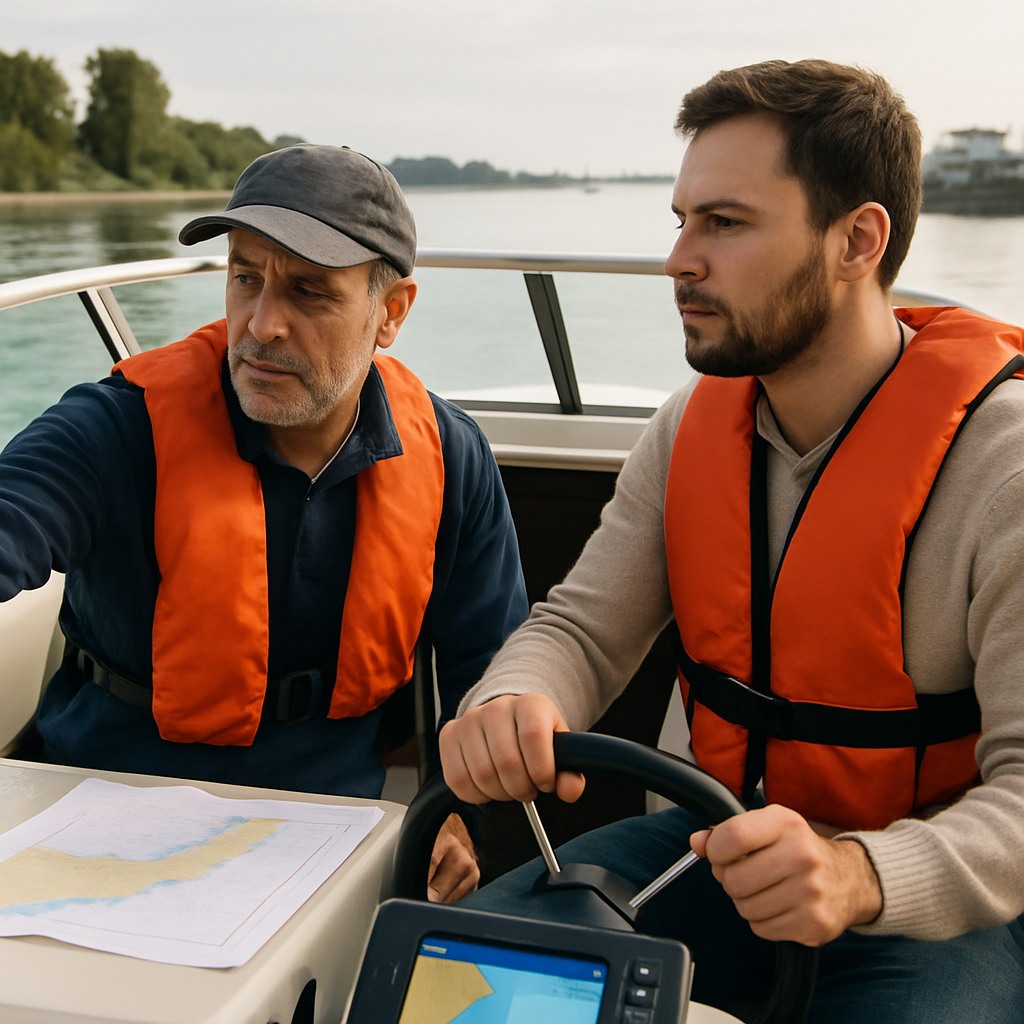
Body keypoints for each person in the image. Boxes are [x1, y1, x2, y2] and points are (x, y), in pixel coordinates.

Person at [439, 60, 1024, 1018]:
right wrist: (517, 695)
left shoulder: (1007, 468)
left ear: (857, 242)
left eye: (726, 222)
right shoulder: (687, 430)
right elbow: (582, 631)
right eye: (680, 219)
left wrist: (851, 875)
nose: (679, 257)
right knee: (465, 982)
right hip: (710, 844)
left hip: (937, 900)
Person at [0, 144, 528, 903]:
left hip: (334, 823)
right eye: (246, 277)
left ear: (392, 313)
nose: (263, 323)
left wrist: (456, 817)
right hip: (101, 807)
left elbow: (492, 674)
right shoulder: (118, 427)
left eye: (309, 291)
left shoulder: (451, 457)